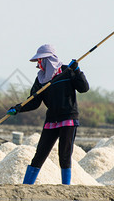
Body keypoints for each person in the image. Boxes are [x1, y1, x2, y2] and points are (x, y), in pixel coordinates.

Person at [7, 44, 89, 185]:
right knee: (40, 153)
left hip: (68, 118)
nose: (38, 64)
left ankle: (66, 187)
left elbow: (84, 88)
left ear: (47, 60)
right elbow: (34, 102)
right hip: (52, 119)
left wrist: (77, 71)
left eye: (40, 60)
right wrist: (18, 108)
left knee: (64, 154)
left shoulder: (67, 71)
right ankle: (27, 185)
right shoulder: (40, 80)